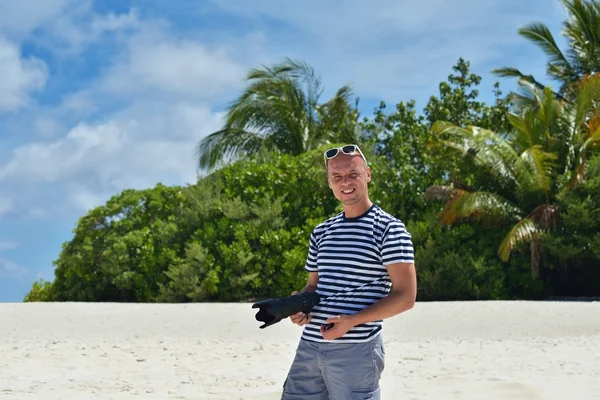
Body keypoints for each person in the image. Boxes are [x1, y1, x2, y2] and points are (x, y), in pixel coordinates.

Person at [280, 144, 417, 400]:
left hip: (356, 349)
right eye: (337, 177)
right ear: (329, 183)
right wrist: (300, 306)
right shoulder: (322, 231)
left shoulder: (389, 229)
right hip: (309, 346)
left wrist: (351, 322)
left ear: (368, 174)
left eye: (353, 174)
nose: (345, 182)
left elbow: (406, 297)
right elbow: (313, 287)